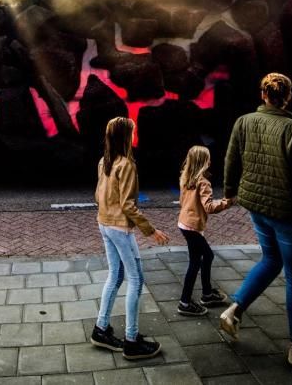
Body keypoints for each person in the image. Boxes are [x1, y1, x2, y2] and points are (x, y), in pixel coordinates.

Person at [220, 72, 292, 368]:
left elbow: (232, 160)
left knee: (271, 260)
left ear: (263, 94)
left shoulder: (243, 122)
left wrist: (231, 191)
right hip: (288, 214)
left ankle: (234, 309)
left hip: (257, 207)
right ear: (288, 97)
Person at [90, 116, 170, 361]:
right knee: (136, 279)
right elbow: (128, 205)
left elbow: (97, 196)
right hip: (119, 229)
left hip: (104, 223)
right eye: (132, 132)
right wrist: (151, 230)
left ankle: (101, 329)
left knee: (115, 276)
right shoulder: (126, 165)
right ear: (126, 136)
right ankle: (131, 341)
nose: (134, 136)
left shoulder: (105, 161)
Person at [176, 145, 231, 317]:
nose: (211, 161)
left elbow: (181, 201)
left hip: (184, 223)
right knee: (196, 262)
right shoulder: (203, 182)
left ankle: (207, 294)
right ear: (203, 162)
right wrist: (227, 202)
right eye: (208, 158)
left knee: (206, 256)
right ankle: (185, 302)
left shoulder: (186, 177)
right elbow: (209, 207)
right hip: (192, 226)